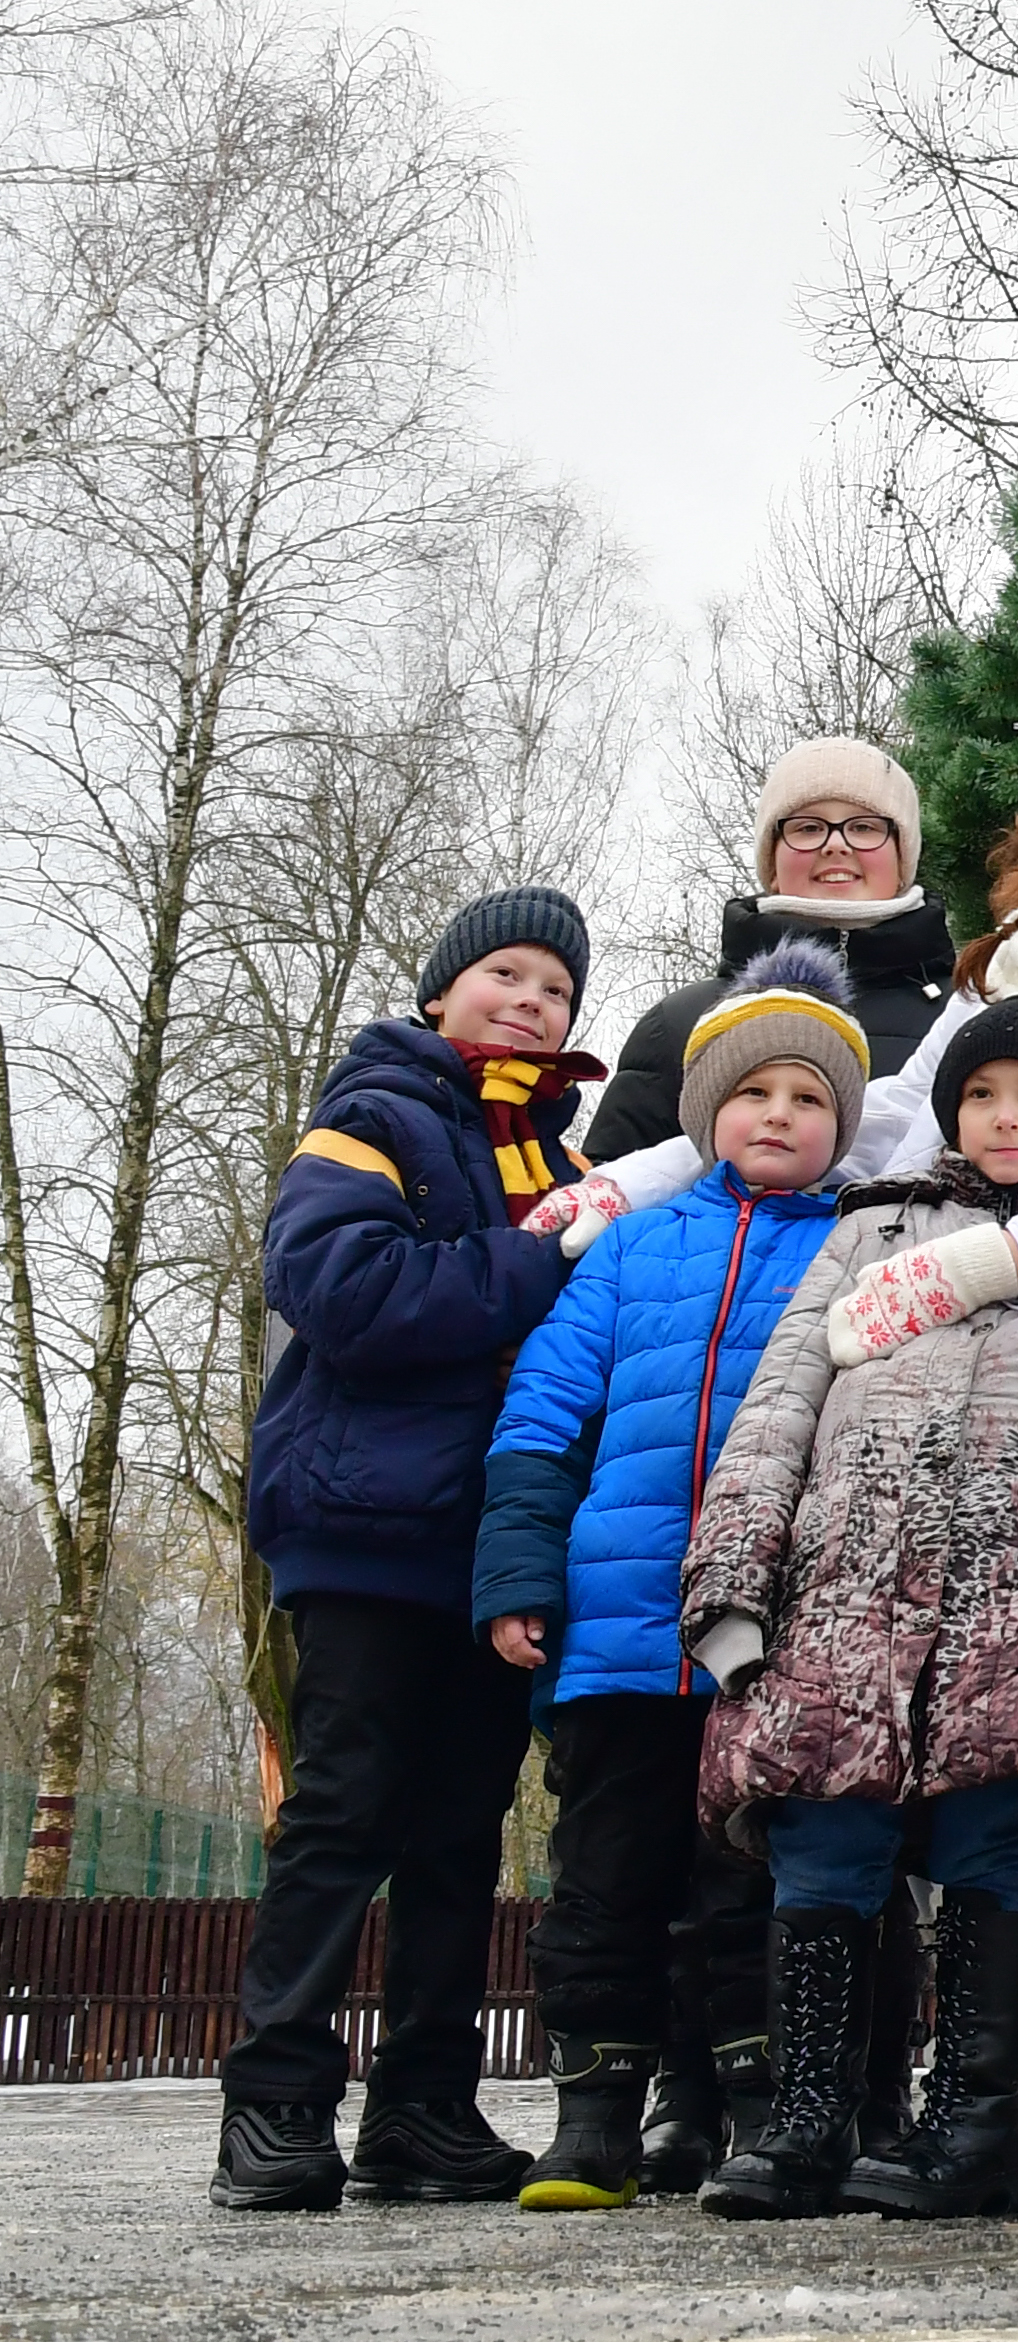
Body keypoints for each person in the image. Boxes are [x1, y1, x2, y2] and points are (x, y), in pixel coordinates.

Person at [532, 696, 1018, 2202]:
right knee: (866, 1807)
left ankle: (1013, 2126)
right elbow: (854, 1120)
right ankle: (855, 2120)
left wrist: (1003, 1264)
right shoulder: (992, 985)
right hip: (909, 1486)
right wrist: (627, 1177)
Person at [682, 998, 1018, 2219]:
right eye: (983, 1093)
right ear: (953, 1110)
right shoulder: (873, 1233)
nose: (1007, 1116)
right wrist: (731, 1589)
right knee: (822, 1836)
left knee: (993, 1840)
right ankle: (806, 2124)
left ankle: (977, 2130)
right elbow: (780, 1402)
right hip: (845, 1597)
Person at [213, 888, 599, 2213]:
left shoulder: (560, 1154)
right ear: (442, 991)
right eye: (506, 970)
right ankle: (274, 2103)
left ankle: (426, 2106)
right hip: (367, 1525)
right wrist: (530, 1264)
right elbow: (340, 1289)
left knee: (458, 1831)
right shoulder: (374, 1113)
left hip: (492, 1542)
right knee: (342, 1809)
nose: (532, 997)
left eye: (556, 985)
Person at [471, 943, 868, 2208]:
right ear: (708, 1113)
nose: (779, 1117)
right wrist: (522, 1570)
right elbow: (541, 1413)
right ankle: (593, 2114)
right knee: (605, 1884)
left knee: (753, 1890)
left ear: (839, 1130)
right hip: (618, 1633)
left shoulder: (860, 1251)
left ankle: (761, 2113)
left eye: (809, 1101)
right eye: (756, 1094)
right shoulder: (633, 1249)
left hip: (775, 1639)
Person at [591, 738, 960, 1161]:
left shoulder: (969, 1011)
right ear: (772, 859)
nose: (835, 845)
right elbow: (612, 1193)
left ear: (902, 856)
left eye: (864, 827)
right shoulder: (680, 1022)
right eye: (807, 828)